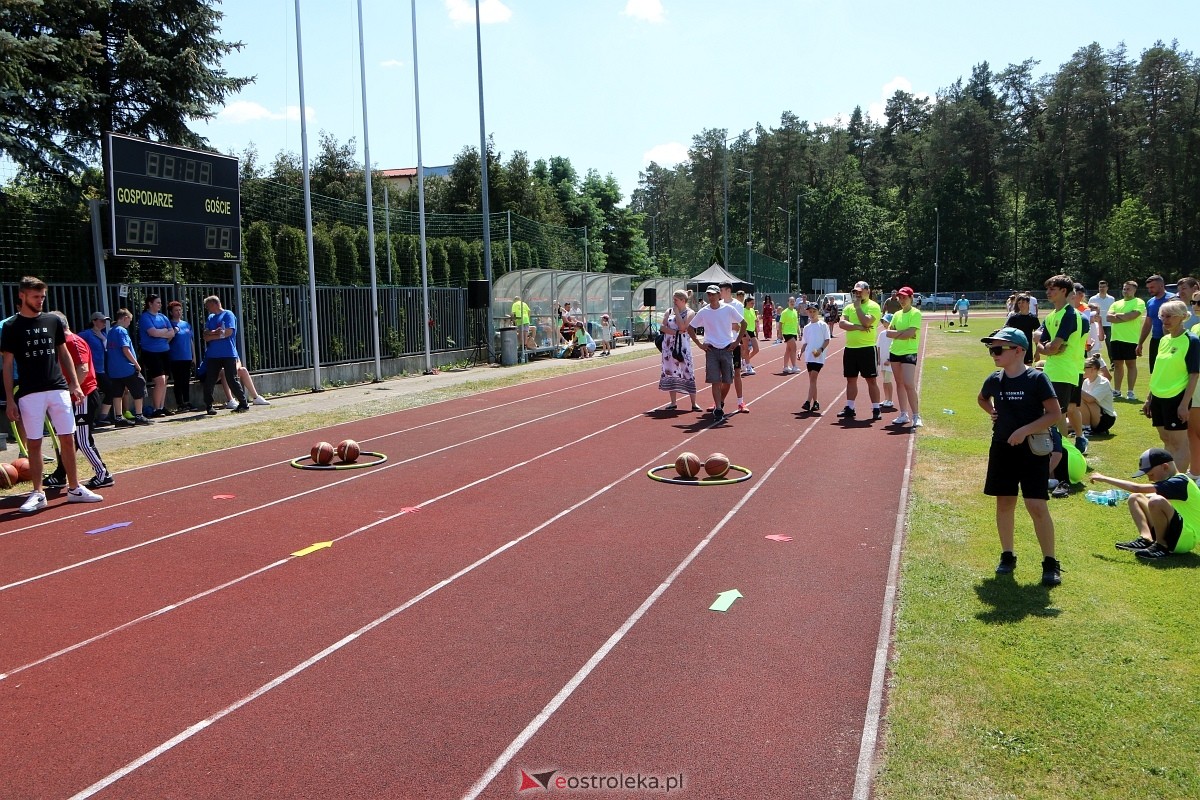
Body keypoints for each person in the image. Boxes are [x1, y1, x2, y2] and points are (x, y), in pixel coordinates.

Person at [1, 276, 104, 512]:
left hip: (58, 389)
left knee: (68, 438)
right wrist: (9, 399)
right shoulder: (11, 327)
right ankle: (38, 493)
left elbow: (64, 354)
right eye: (36, 297)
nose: (40, 301)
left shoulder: (52, 321)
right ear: (23, 296)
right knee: (35, 443)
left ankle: (75, 487)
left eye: (43, 297)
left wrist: (75, 385)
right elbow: (7, 364)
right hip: (29, 392)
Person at [977, 327, 1062, 587]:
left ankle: (1050, 562)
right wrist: (992, 411)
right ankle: (1007, 555)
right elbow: (982, 399)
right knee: (1004, 503)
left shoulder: (1037, 379)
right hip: (1002, 447)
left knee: (1036, 505)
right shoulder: (994, 378)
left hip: (1032, 449)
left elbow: (1054, 414)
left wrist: (1024, 431)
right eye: (992, 349)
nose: (994, 353)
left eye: (999, 349)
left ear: (1019, 351)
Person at [42, 311, 113, 490]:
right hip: (74, 397)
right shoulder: (62, 343)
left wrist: (68, 390)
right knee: (69, 439)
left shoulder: (72, 341)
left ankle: (103, 473)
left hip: (84, 397)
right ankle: (60, 474)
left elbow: (82, 369)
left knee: (81, 439)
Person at [1090, 448, 1200, 560]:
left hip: (1186, 538)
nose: (1149, 478)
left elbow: (1136, 487)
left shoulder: (1180, 482)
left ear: (1165, 467)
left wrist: (1104, 478)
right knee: (1135, 498)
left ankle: (1161, 546)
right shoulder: (1173, 481)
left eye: (1151, 474)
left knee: (1155, 501)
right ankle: (1146, 539)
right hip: (1177, 532)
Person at [1143, 299, 1198, 472]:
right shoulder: (1164, 340)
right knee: (1166, 440)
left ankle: (1178, 482)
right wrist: (1149, 398)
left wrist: (1184, 404)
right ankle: (1168, 479)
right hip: (1158, 397)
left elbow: (1194, 374)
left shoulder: (1191, 340)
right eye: (1162, 316)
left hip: (1176, 397)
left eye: (1170, 316)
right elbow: (1159, 371)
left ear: (1182, 317)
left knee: (1179, 443)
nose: (1165, 320)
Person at [1036, 274, 1087, 453]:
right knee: (1051, 414)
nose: (1048, 292)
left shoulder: (1070, 314)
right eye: (1048, 289)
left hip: (1065, 372)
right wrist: (1047, 347)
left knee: (1059, 415)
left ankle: (1062, 454)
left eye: (1053, 289)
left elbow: (1054, 345)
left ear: (1063, 291)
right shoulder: (1051, 316)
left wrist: (1048, 347)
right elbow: (1043, 345)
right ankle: (1055, 451)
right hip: (1052, 370)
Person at [685, 285, 745, 422]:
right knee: (715, 380)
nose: (711, 297)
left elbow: (744, 323)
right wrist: (700, 344)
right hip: (711, 349)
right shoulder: (704, 311)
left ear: (719, 295)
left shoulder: (729, 309)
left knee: (727, 380)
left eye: (713, 294)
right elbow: (690, 328)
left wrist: (736, 342)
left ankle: (721, 402)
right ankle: (718, 408)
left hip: (726, 348)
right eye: (709, 294)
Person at [837, 280, 883, 421]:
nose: (857, 294)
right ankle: (850, 407)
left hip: (867, 348)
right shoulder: (848, 307)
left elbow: (867, 322)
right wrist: (858, 327)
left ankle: (876, 408)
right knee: (851, 379)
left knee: (871, 380)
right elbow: (842, 323)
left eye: (860, 291)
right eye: (855, 292)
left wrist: (858, 309)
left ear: (867, 291)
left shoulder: (873, 306)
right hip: (851, 348)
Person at [201, 295, 249, 415]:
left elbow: (228, 332)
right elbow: (205, 336)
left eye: (208, 306)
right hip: (213, 355)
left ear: (215, 304)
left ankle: (243, 403)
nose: (207, 308)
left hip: (228, 353)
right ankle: (209, 405)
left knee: (231, 379)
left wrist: (213, 336)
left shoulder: (228, 314)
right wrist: (214, 333)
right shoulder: (211, 317)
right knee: (209, 380)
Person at [105, 308, 153, 426]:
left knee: (117, 392)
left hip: (114, 369)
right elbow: (125, 349)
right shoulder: (122, 331)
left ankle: (118, 417)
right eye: (129, 321)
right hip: (126, 367)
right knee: (139, 387)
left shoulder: (111, 331)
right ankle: (139, 415)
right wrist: (136, 364)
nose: (129, 323)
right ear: (125, 318)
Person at [886, 286, 922, 427]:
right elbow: (889, 332)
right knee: (899, 384)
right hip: (895, 352)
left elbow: (911, 332)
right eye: (900, 297)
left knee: (908, 383)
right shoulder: (896, 314)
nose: (902, 300)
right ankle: (903, 414)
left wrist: (898, 333)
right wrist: (903, 333)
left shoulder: (915, 313)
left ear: (911, 298)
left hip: (909, 352)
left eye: (904, 297)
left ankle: (916, 416)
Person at [658, 290, 699, 412]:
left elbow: (683, 327)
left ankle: (693, 403)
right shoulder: (668, 311)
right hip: (668, 346)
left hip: (683, 347)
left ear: (683, 300)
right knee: (671, 371)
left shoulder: (690, 312)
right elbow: (662, 327)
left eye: (676, 299)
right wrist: (675, 332)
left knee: (688, 371)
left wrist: (677, 314)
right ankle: (673, 402)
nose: (674, 302)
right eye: (673, 299)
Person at [137, 294, 175, 417]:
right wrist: (164, 332)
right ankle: (156, 408)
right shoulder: (145, 317)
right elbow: (152, 333)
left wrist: (161, 333)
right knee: (160, 380)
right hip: (151, 352)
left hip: (165, 350)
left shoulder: (163, 317)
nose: (160, 304)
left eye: (160, 302)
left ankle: (161, 406)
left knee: (165, 380)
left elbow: (172, 333)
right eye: (157, 302)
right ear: (150, 304)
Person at [1107, 280, 1145, 401]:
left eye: (1128, 289)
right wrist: (1125, 316)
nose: (1125, 291)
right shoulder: (1116, 303)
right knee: (1117, 365)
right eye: (1124, 288)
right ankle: (1117, 391)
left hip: (1130, 339)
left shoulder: (1139, 302)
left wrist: (1118, 316)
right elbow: (1108, 317)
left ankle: (1130, 392)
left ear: (1134, 290)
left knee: (1131, 365)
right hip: (1115, 338)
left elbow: (1133, 316)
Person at [79, 311, 113, 427]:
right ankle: (90, 420)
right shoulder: (87, 334)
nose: (104, 323)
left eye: (105, 321)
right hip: (91, 370)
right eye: (101, 320)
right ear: (94, 321)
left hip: (101, 369)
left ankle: (102, 416)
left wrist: (103, 339)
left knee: (110, 390)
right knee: (92, 395)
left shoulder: (103, 335)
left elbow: (107, 348)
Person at [719, 282, 749, 413]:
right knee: (720, 375)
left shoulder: (737, 305)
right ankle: (718, 402)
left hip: (733, 342)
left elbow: (737, 325)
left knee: (737, 373)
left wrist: (726, 325)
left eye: (720, 290)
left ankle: (740, 402)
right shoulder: (717, 305)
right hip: (720, 343)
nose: (719, 293)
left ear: (727, 290)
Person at [1137, 274, 1174, 373]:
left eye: (1152, 287)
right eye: (1148, 288)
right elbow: (1148, 323)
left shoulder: (1173, 300)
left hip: (1171, 340)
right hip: (1156, 340)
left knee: (1169, 370)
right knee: (1154, 371)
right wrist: (1140, 343)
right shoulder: (1150, 302)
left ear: (1161, 285)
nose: (1150, 290)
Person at [799, 303, 830, 413]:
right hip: (809, 357)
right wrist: (800, 351)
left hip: (818, 357)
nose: (812, 314)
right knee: (813, 381)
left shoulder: (823, 325)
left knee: (813, 379)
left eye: (814, 311)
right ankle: (816, 402)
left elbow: (827, 340)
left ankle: (807, 402)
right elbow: (805, 342)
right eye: (810, 311)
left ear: (818, 312)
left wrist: (820, 350)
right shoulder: (807, 328)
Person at [166, 300, 196, 411]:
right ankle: (180, 403)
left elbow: (190, 340)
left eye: (180, 310)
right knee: (178, 381)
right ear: (171, 312)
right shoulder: (169, 324)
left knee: (186, 380)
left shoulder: (186, 324)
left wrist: (194, 356)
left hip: (187, 356)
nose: (178, 312)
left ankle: (187, 401)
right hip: (175, 357)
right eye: (176, 310)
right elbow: (166, 340)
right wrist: (173, 331)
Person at [1081, 355, 1117, 436]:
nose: (1081, 370)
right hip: (1094, 415)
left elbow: (1090, 400)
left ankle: (1087, 428)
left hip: (1105, 418)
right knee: (1067, 423)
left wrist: (1074, 387)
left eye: (1084, 367)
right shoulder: (1086, 381)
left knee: (1081, 398)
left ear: (1093, 369)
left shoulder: (1103, 382)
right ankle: (1082, 428)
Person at [1004, 294, 1039, 366]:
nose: (1021, 304)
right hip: (1015, 348)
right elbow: (1005, 332)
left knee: (1027, 370)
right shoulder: (1013, 318)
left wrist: (1037, 352)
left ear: (1028, 303)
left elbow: (1037, 337)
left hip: (1027, 348)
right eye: (1019, 303)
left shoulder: (1033, 319)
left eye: (1023, 302)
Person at [1088, 281, 1116, 356]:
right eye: (1100, 287)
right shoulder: (1093, 299)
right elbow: (1088, 311)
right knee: (1092, 343)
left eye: (1103, 287)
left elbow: (1113, 311)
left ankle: (1112, 362)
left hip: (1108, 324)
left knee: (1110, 344)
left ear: (1107, 288)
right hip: (1095, 325)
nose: (1102, 288)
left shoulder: (1111, 299)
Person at [876, 313, 895, 409]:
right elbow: (878, 347)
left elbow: (895, 348)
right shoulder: (882, 334)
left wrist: (890, 360)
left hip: (889, 361)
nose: (884, 323)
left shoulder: (893, 334)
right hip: (882, 361)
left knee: (888, 380)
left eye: (886, 321)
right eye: (883, 321)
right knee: (884, 381)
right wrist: (878, 358)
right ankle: (886, 398)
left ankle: (890, 400)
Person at [779, 297, 800, 373]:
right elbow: (781, 323)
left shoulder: (795, 311)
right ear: (788, 302)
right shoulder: (785, 312)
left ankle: (785, 366)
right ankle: (794, 366)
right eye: (791, 301)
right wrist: (780, 334)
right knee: (794, 348)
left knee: (788, 350)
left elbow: (797, 323)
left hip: (794, 332)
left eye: (793, 301)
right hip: (787, 332)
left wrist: (799, 332)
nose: (792, 302)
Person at [741, 293, 760, 375]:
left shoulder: (752, 310)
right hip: (745, 331)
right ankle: (748, 367)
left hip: (752, 331)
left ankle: (744, 362)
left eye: (754, 303)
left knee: (756, 349)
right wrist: (745, 333)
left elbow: (754, 321)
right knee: (747, 350)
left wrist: (756, 331)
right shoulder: (743, 311)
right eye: (752, 303)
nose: (753, 304)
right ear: (747, 302)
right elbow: (741, 323)